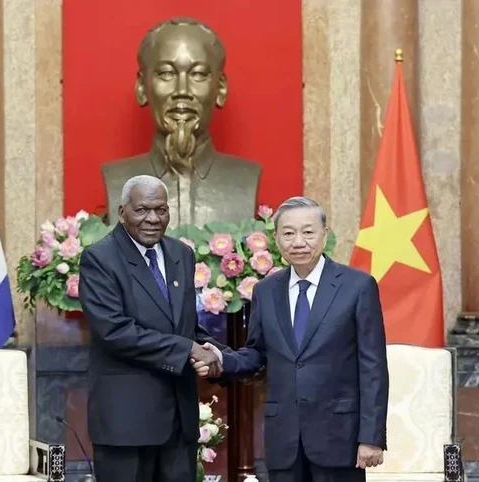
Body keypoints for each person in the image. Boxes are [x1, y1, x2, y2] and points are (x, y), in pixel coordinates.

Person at [195, 196, 389, 482]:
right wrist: (224, 359)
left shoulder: (357, 287)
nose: (299, 241)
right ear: (276, 239)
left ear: (325, 235)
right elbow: (257, 353)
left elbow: (373, 367)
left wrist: (371, 437)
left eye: (308, 232)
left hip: (339, 439)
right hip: (284, 441)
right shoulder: (265, 290)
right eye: (288, 233)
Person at [78, 174, 224, 482]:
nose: (153, 219)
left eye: (161, 210)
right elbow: (114, 331)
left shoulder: (180, 254)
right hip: (126, 424)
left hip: (177, 422)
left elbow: (185, 326)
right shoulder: (100, 258)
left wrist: (219, 354)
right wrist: (188, 349)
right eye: (142, 210)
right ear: (122, 212)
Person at [101, 16, 261, 227]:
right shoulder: (116, 179)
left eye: (198, 74)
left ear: (220, 88)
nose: (182, 91)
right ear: (141, 87)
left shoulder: (245, 179)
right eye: (167, 73)